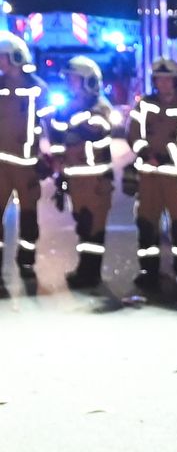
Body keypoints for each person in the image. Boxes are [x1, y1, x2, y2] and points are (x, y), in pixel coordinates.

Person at [126, 56, 177, 290]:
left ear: (176, 81)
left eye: (168, 80)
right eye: (159, 80)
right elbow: (133, 132)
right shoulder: (144, 105)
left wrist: (165, 155)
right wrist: (145, 153)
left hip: (176, 176)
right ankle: (148, 270)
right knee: (146, 223)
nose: (163, 84)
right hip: (149, 175)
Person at [46, 58, 118, 291]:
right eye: (68, 79)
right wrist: (59, 170)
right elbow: (58, 140)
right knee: (82, 224)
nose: (70, 83)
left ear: (88, 81)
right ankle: (84, 269)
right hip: (76, 179)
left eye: (74, 79)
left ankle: (91, 273)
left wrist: (71, 119)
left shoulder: (100, 107)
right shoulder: (67, 109)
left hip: (96, 180)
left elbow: (96, 129)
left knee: (94, 226)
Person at [0, 33, 46, 289]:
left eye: (3, 57)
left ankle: (26, 261)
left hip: (27, 164)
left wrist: (55, 155)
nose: (0, 62)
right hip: (0, 164)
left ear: (17, 57)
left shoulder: (38, 88)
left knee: (29, 215)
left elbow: (53, 125)